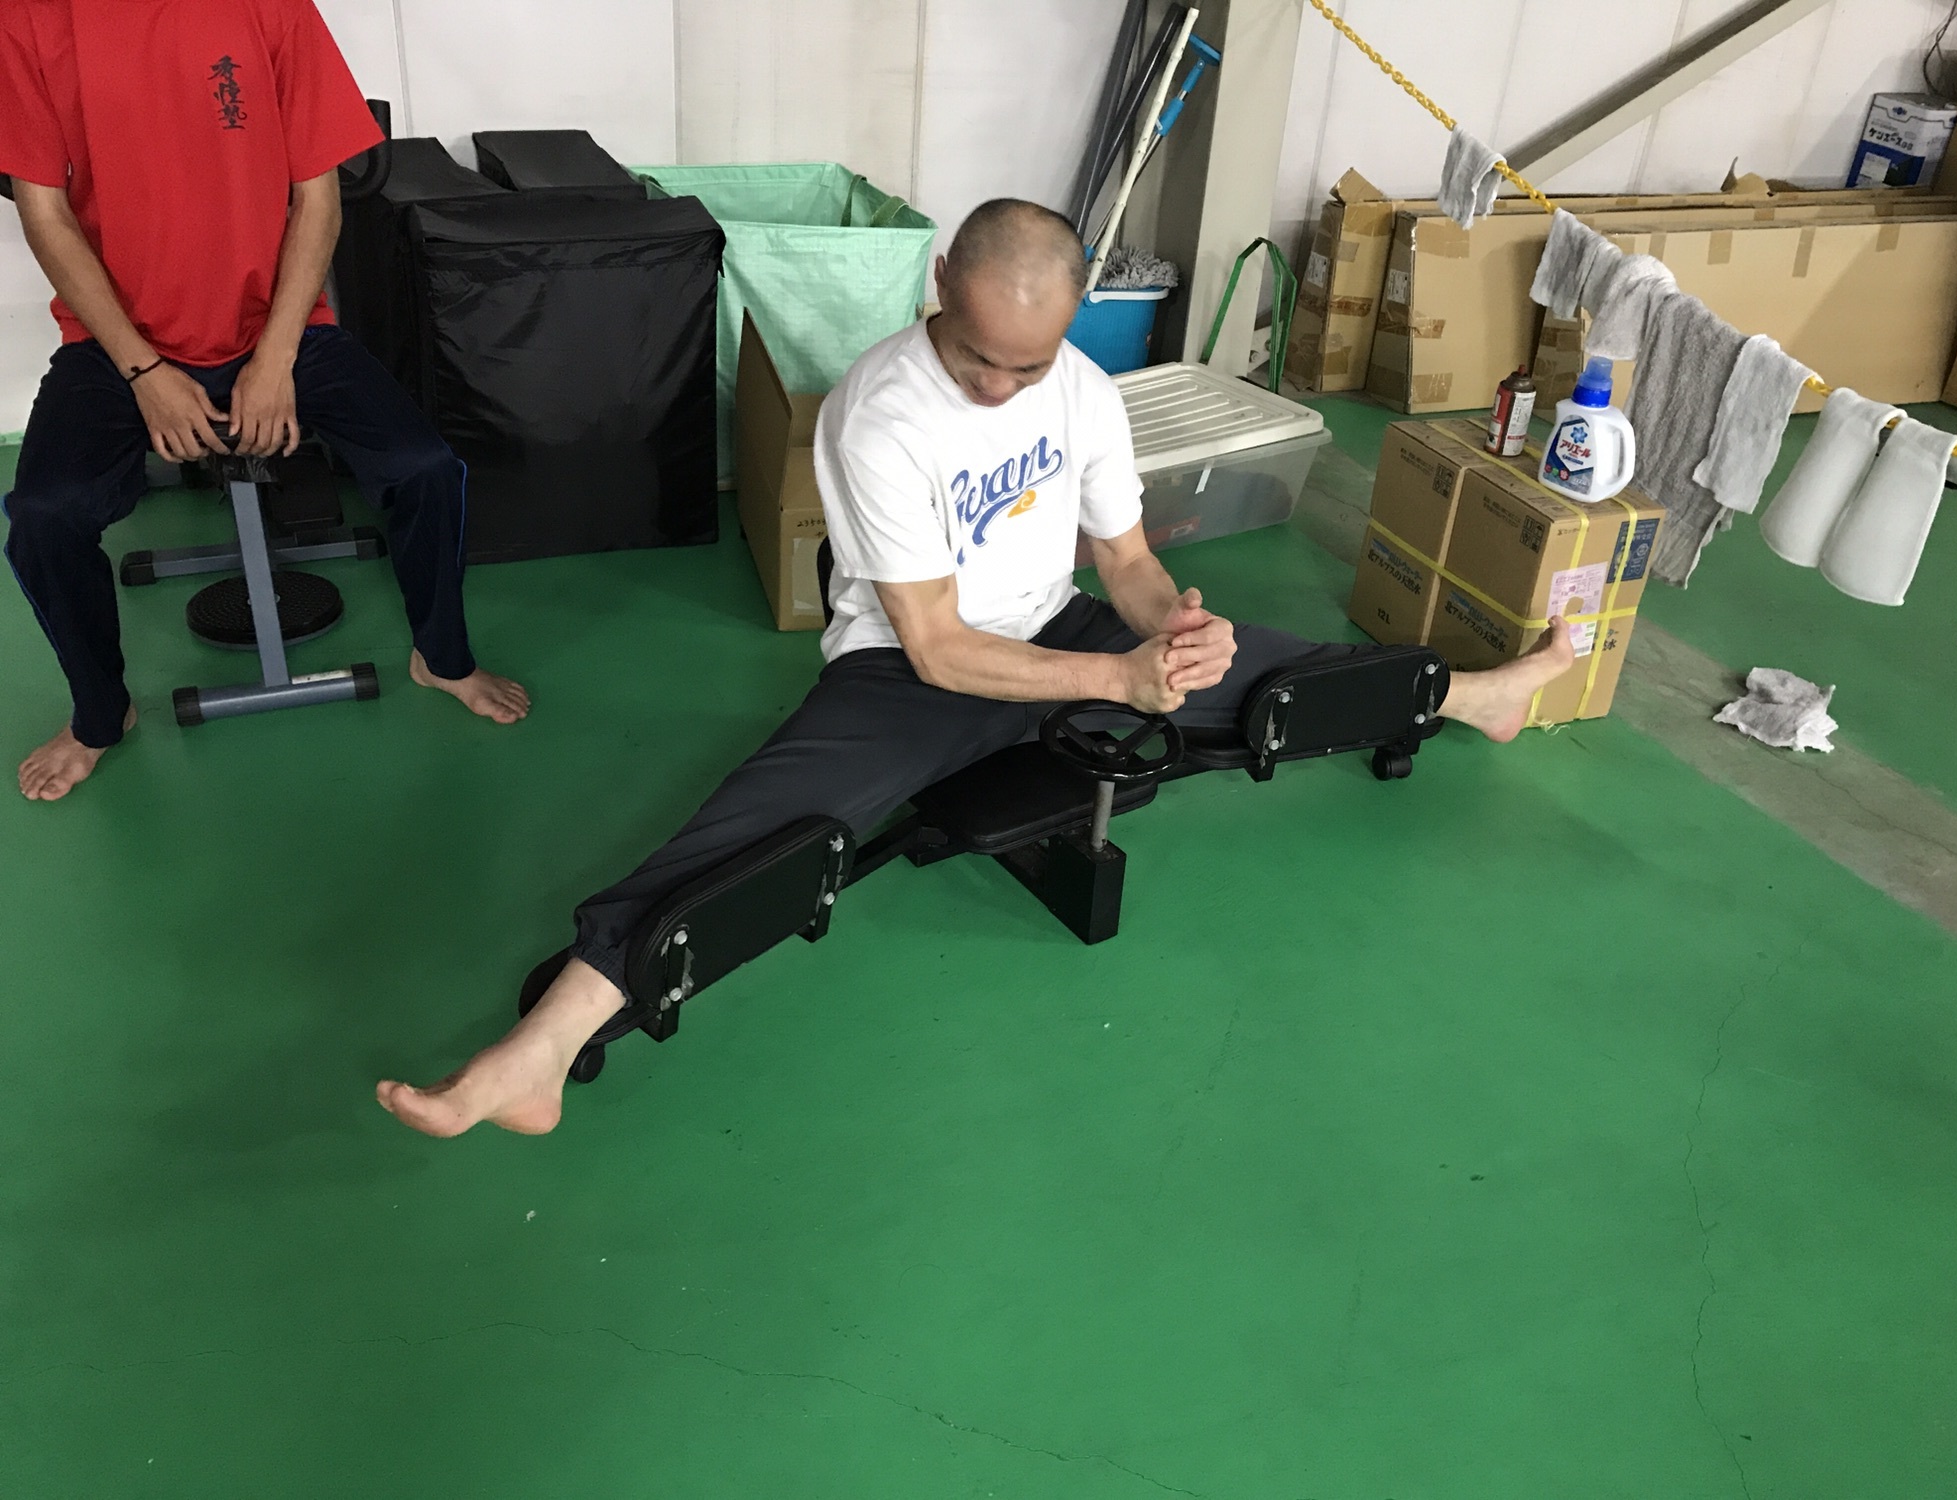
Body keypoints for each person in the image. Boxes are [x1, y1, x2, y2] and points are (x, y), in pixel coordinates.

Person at [377, 199, 1576, 1139]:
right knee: (768, 824)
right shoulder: (877, 412)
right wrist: (1118, 684)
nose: (998, 386)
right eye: (975, 357)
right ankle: (538, 1055)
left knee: (1272, 673)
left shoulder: (1083, 390)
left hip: (1056, 625)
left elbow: (1124, 560)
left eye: (1025, 366)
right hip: (908, 672)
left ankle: (1479, 700)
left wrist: (1174, 627)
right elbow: (939, 645)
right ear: (940, 279)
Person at [0, 0, 529, 803]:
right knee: (44, 516)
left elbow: (319, 199)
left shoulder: (273, 8)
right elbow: (43, 213)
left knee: (425, 468)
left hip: (278, 326)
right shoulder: (30, 19)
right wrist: (145, 373)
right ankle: (100, 715)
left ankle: (443, 658)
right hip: (118, 344)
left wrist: (276, 357)